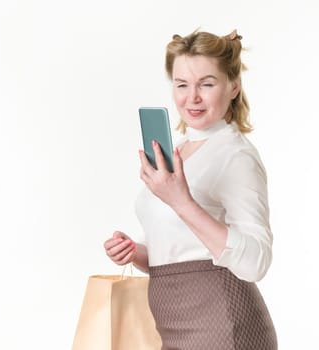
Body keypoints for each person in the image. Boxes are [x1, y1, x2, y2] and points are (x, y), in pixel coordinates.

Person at [104, 28, 277, 350]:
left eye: (207, 84)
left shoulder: (236, 155)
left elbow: (256, 261)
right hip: (170, 323)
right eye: (182, 84)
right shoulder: (179, 150)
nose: (192, 97)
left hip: (223, 326)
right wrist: (136, 252)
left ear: (234, 87)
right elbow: (182, 248)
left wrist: (181, 202)